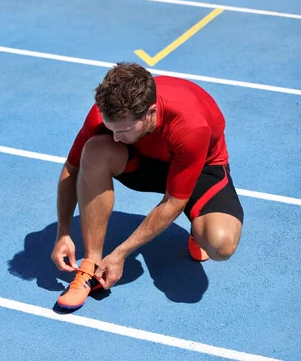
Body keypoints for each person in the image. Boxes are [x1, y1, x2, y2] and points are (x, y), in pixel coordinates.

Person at [51, 62, 244, 310]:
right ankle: (89, 266)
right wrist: (63, 232)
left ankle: (199, 231)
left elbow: (174, 201)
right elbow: (72, 167)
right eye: (112, 129)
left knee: (221, 245)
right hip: (143, 159)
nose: (116, 137)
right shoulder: (106, 115)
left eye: (124, 130)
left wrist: (120, 253)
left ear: (151, 112)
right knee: (95, 150)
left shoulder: (190, 126)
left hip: (199, 167)